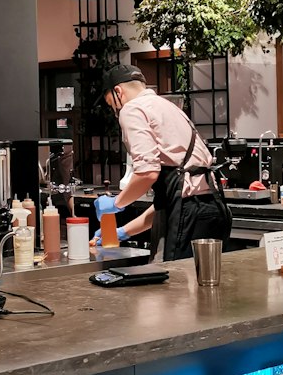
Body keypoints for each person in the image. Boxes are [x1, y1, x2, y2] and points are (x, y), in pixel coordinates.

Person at [94, 63, 231, 261]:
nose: (115, 111)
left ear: (118, 91)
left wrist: (117, 203)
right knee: (206, 282)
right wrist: (123, 231)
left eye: (112, 105)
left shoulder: (132, 109)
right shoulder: (168, 107)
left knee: (177, 285)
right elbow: (172, 201)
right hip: (214, 209)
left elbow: (147, 173)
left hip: (189, 214)